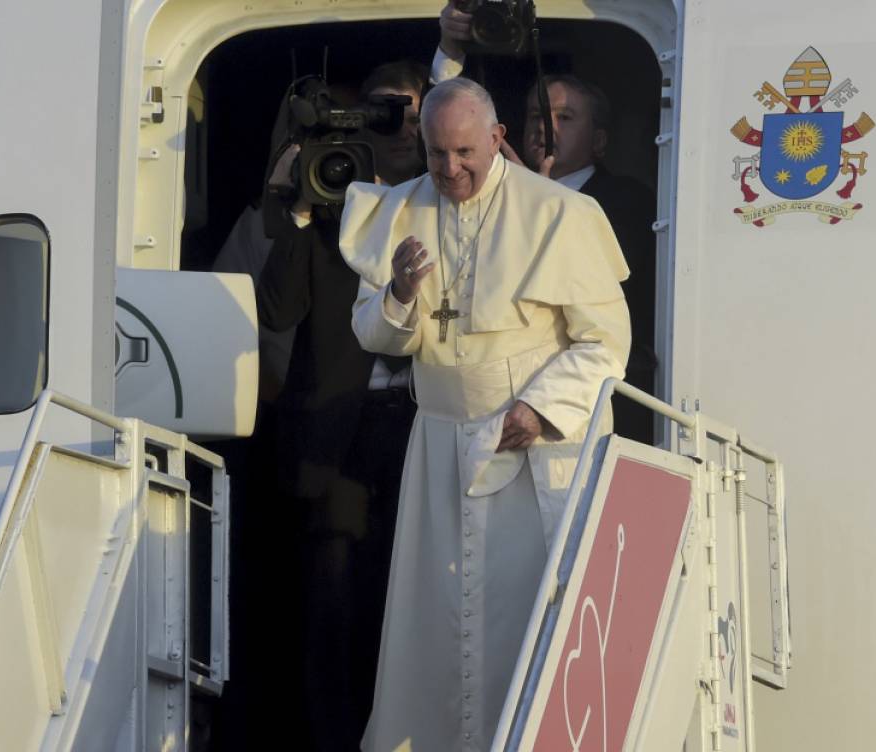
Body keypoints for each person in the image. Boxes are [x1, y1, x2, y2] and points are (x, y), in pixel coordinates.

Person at [340, 77, 630, 751]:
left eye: (466, 152)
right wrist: (401, 292)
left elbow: (605, 343)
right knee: (434, 630)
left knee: (520, 626)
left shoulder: (557, 213)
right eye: (437, 154)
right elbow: (376, 338)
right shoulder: (400, 211)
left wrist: (538, 407)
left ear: (498, 138)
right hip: (438, 447)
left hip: (531, 452)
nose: (451, 170)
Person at [256, 60, 427, 751]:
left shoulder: (447, 202)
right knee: (331, 607)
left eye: (413, 112)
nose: (400, 126)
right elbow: (277, 308)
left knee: (411, 600)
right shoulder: (332, 196)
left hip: (423, 426)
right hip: (336, 433)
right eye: (385, 109)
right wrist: (297, 207)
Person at [431, 1, 659, 441]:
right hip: (490, 415)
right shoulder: (492, 193)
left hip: (580, 417)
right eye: (537, 116)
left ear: (599, 140)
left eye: (564, 118)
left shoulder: (627, 201)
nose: (545, 128)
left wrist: (542, 198)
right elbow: (445, 142)